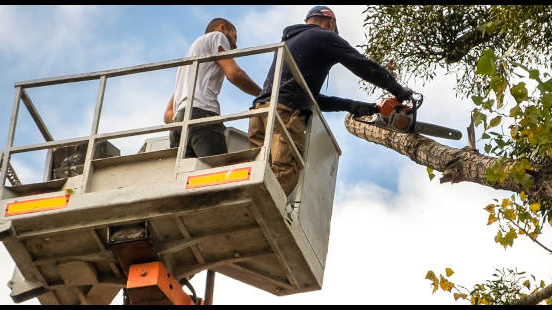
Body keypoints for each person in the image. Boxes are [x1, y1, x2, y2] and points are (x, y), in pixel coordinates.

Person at [249, 6, 417, 194]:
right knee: (284, 173)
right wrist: (397, 90)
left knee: (259, 173)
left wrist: (353, 106)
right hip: (284, 115)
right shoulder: (325, 37)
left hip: (261, 112)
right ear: (330, 23)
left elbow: (310, 99)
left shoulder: (290, 41)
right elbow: (362, 65)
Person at [165, 18, 264, 158]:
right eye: (234, 37)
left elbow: (168, 115)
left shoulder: (187, 66)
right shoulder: (217, 36)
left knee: (189, 177)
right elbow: (234, 74)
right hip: (202, 114)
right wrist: (263, 94)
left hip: (178, 126)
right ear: (222, 28)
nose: (235, 46)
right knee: (215, 175)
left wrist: (187, 123)